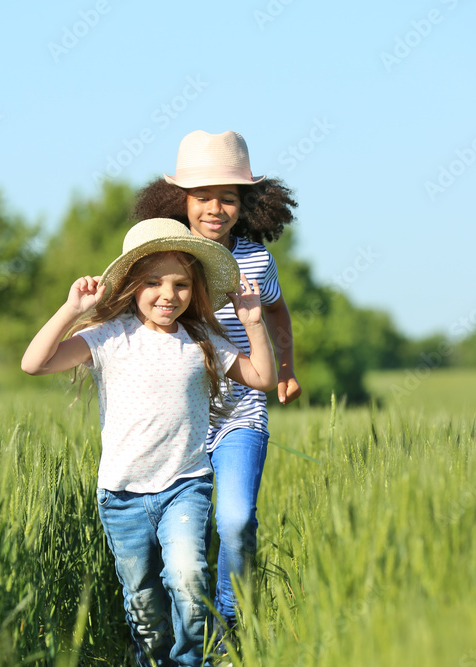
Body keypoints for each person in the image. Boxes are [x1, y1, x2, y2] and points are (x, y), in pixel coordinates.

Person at [20, 217, 277, 666]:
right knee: (142, 600)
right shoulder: (108, 336)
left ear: (194, 290)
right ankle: (152, 658)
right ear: (133, 285)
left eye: (180, 284)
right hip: (122, 495)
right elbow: (33, 363)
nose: (168, 294)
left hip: (185, 486)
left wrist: (253, 322)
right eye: (154, 282)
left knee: (188, 578)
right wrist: (72, 309)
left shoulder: (202, 339)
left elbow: (262, 377)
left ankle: (187, 660)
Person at [133, 130, 301, 634]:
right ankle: (159, 632)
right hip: (172, 416)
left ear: (246, 203)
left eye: (228, 198)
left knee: (235, 521)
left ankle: (227, 625)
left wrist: (286, 369)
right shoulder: (163, 256)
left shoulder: (254, 259)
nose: (215, 208)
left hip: (240, 412)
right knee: (171, 538)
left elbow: (276, 311)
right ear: (178, 200)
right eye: (202, 196)